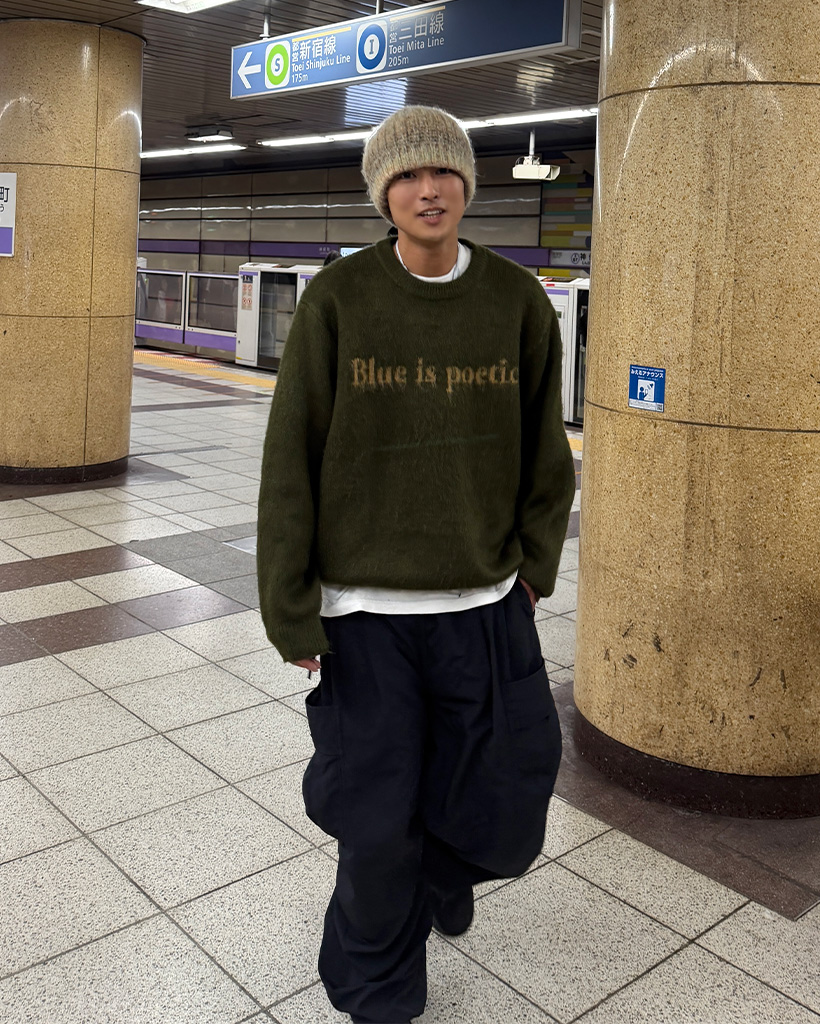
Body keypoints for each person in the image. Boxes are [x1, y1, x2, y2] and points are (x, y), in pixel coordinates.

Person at [257, 105, 575, 1024]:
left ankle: (444, 872)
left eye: (442, 173)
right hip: (365, 615)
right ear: (382, 193)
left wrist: (533, 569)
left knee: (501, 798)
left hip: (484, 605)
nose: (427, 190)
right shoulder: (339, 298)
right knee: (375, 819)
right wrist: (291, 606)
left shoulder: (516, 301)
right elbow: (291, 457)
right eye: (406, 176)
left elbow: (545, 452)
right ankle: (378, 990)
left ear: (467, 184)